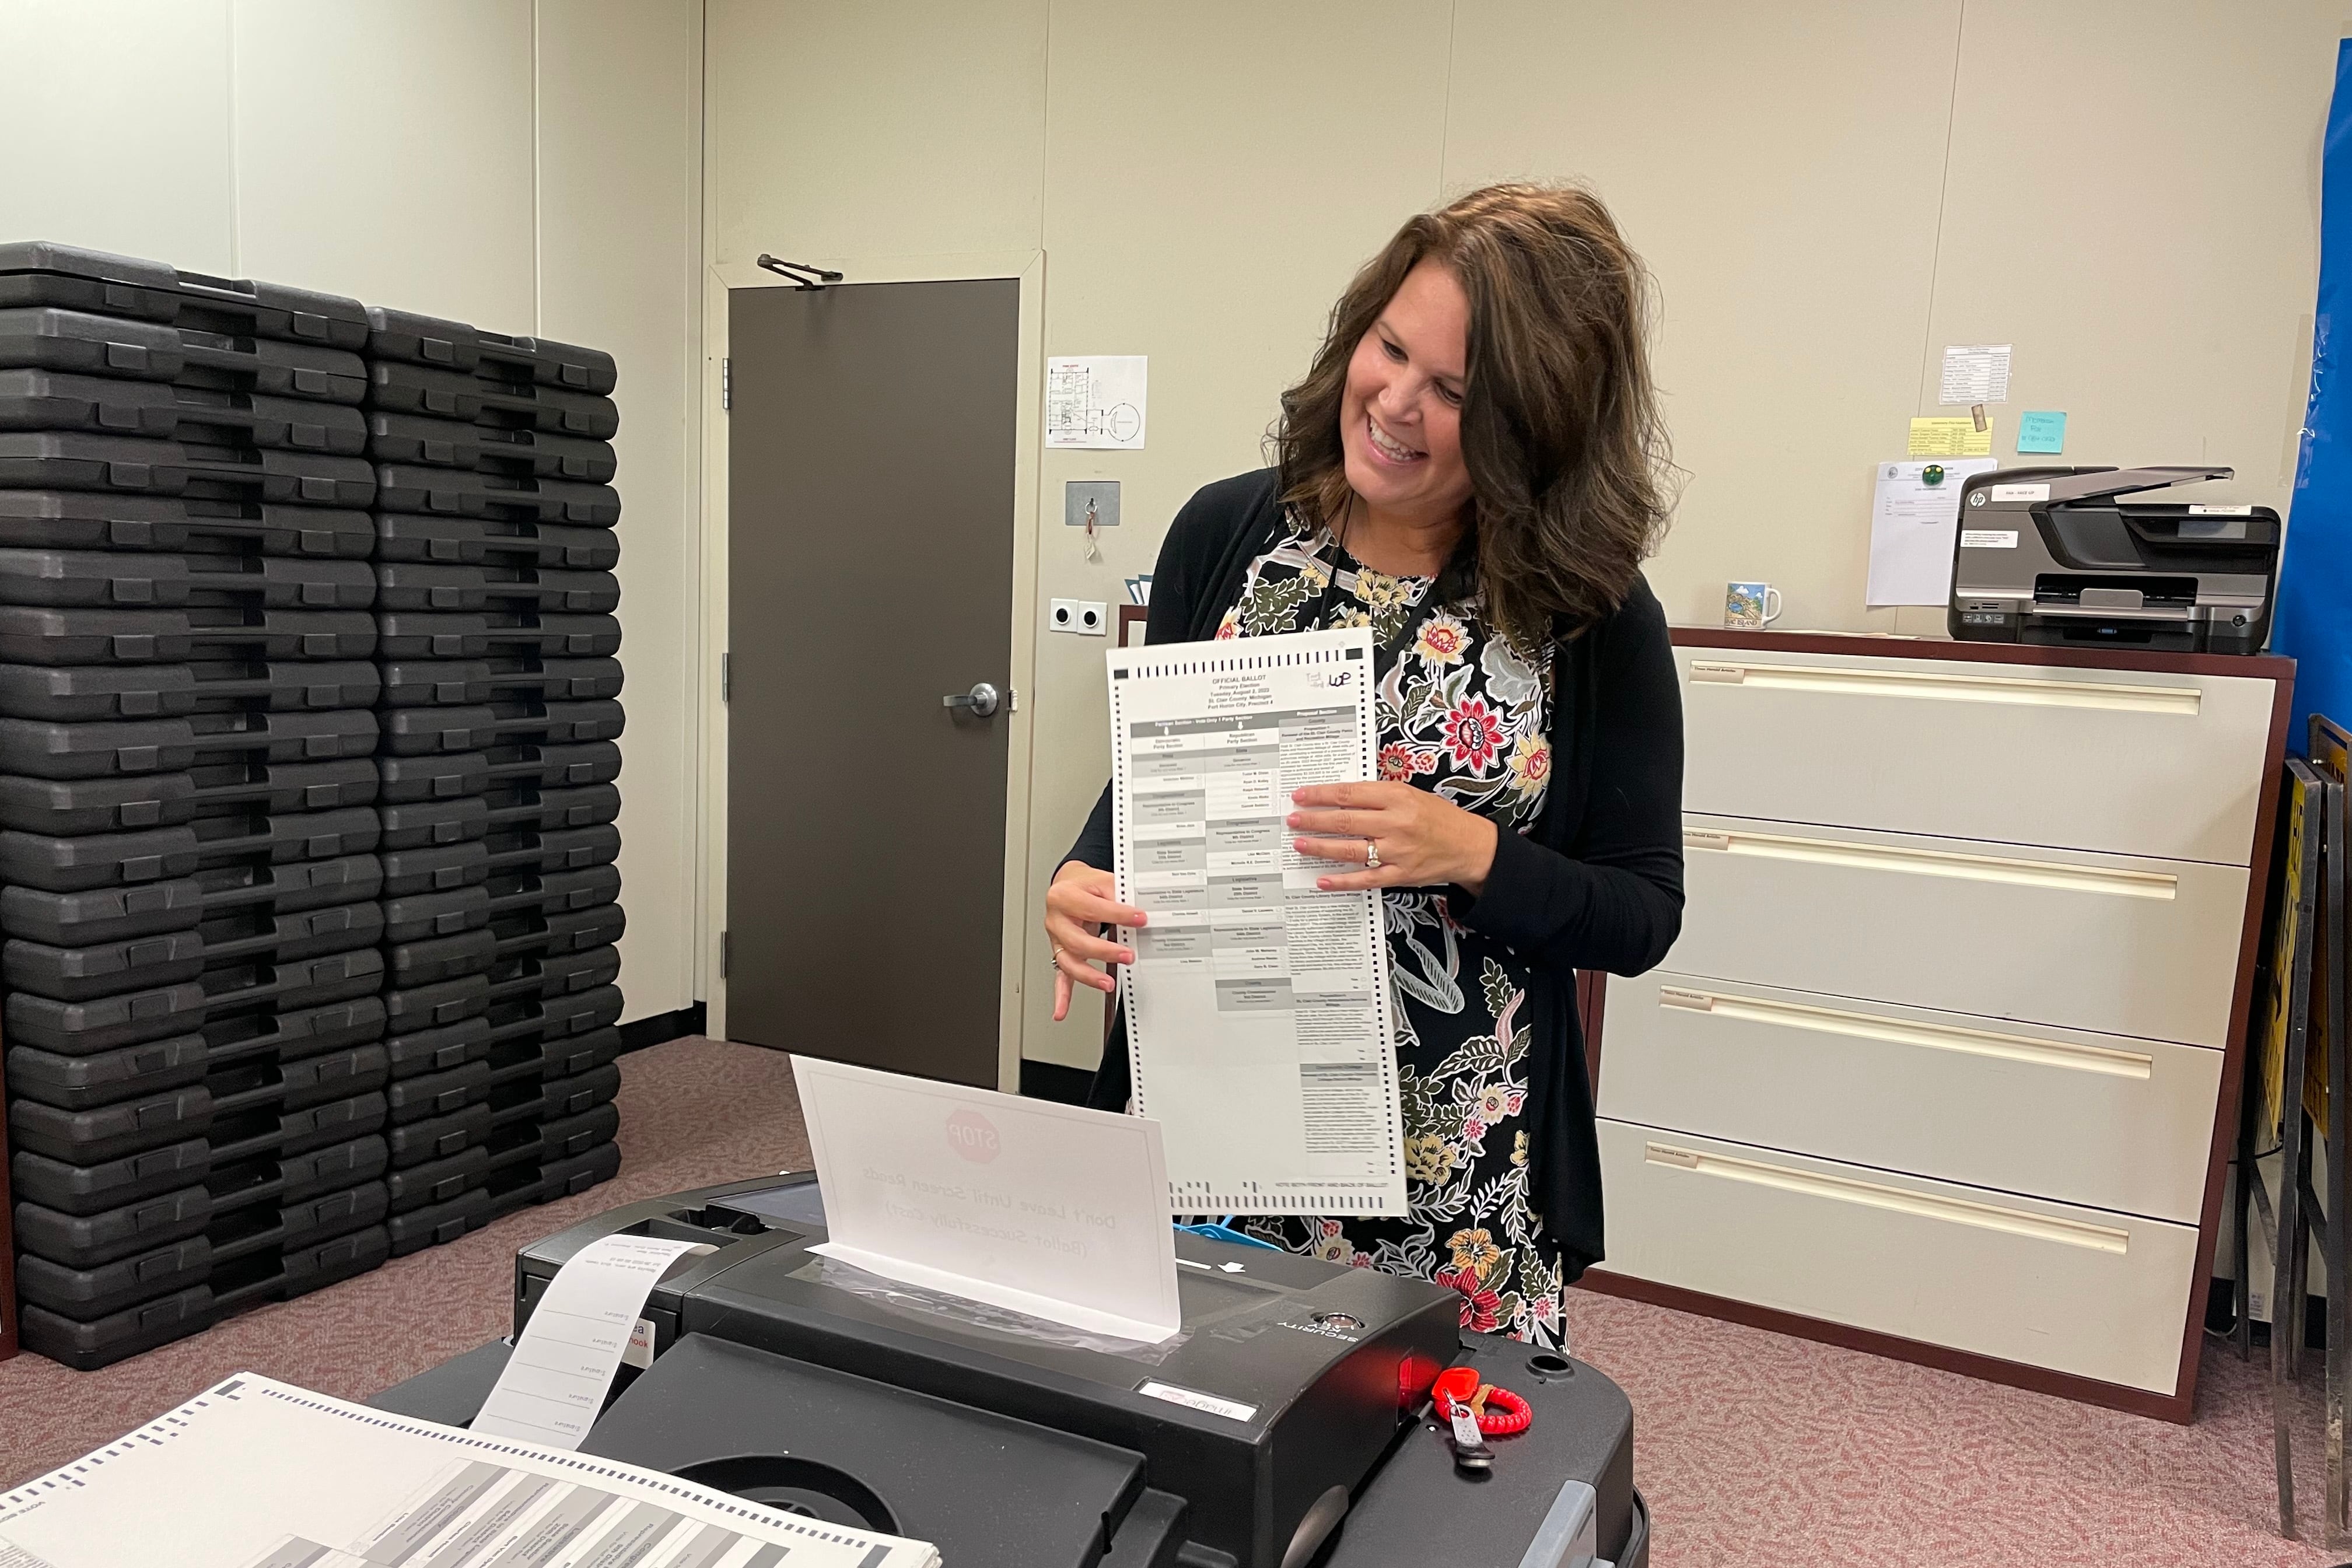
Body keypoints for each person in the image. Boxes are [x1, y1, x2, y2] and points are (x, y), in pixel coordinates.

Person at [1044, 183, 1685, 1346]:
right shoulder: (1228, 535)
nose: (1395, 403)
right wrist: (1087, 874)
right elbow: (1154, 773)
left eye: (1456, 394)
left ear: (1532, 428)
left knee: (1422, 1497)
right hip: (1214, 1132)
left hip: (1451, 1173)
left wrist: (1476, 851)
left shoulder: (1591, 610)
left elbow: (1642, 916)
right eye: (1390, 348)